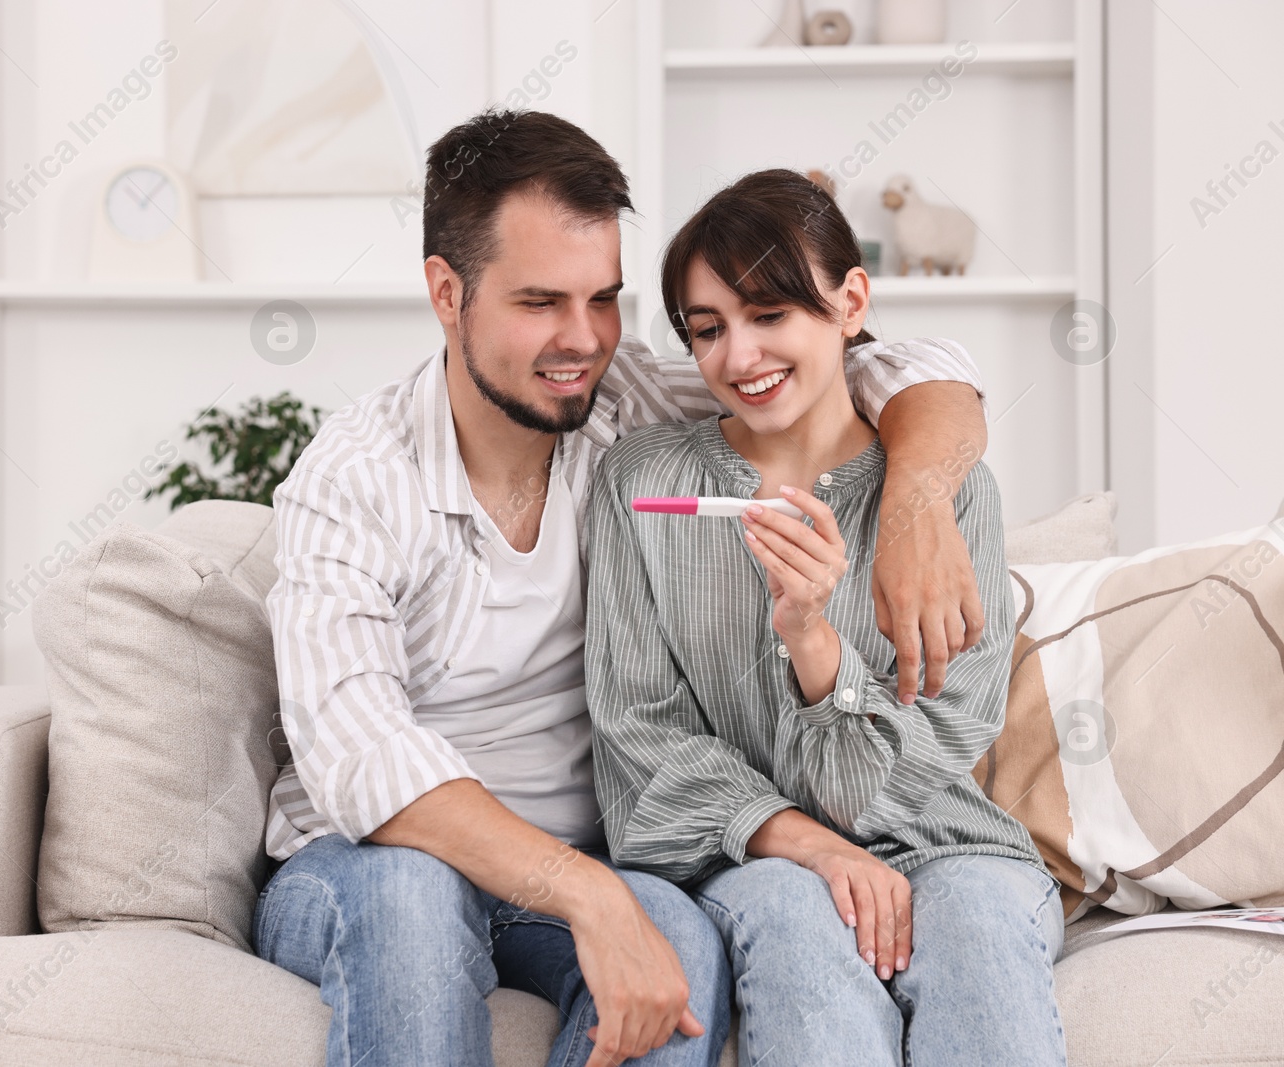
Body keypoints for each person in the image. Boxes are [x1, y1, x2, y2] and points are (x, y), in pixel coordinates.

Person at [259, 109, 995, 1067]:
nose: (582, 339)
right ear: (447, 291)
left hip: (570, 870)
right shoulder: (354, 477)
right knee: (411, 899)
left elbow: (884, 366)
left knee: (680, 947)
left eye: (601, 297)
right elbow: (364, 759)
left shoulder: (624, 407)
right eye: (539, 302)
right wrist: (588, 891)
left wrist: (916, 506)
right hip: (360, 863)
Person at [584, 168, 1068, 1066]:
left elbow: (941, 737)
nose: (739, 358)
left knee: (976, 928)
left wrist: (816, 646)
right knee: (788, 911)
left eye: (772, 315)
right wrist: (803, 846)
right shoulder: (642, 485)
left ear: (851, 303)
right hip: (750, 861)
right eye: (708, 329)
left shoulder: (944, 493)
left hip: (947, 844)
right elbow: (638, 747)